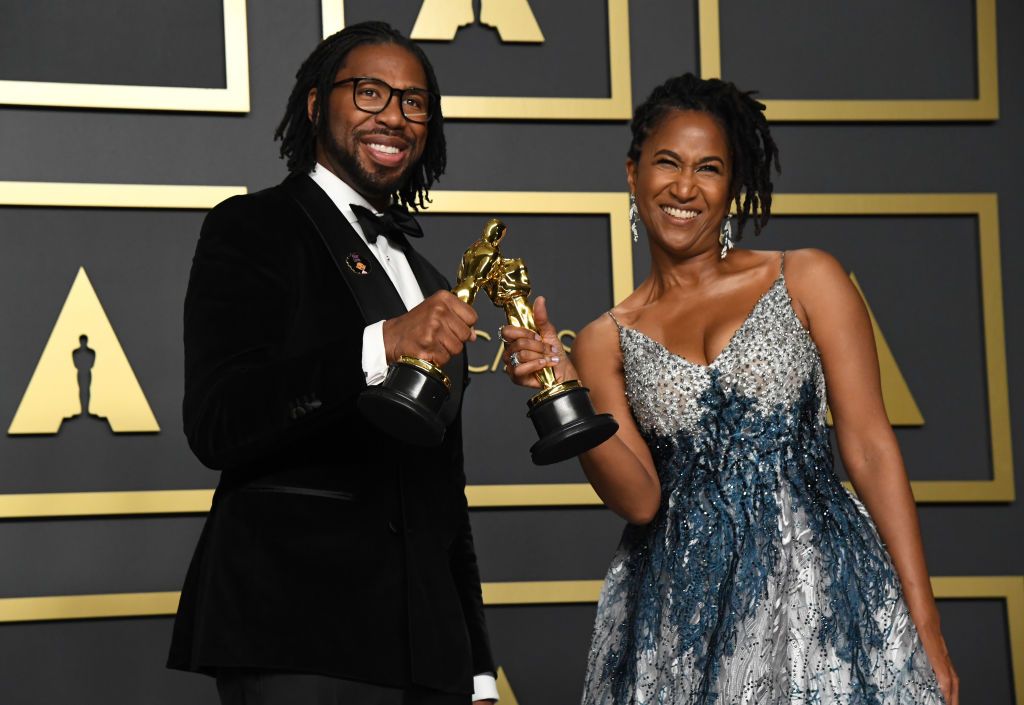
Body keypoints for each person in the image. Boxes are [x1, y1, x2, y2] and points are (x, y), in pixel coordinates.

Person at [501, 73, 959, 704]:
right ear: (632, 174)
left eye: (708, 168)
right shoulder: (607, 338)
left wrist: (925, 622)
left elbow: (872, 449)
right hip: (679, 618)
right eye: (667, 163)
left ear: (734, 185)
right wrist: (564, 390)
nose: (684, 187)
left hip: (820, 594)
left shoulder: (807, 277)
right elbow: (637, 501)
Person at [167, 21, 498, 705]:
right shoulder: (252, 227)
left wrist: (477, 666)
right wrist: (380, 344)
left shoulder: (429, 276)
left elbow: (444, 491)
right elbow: (218, 421)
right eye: (370, 92)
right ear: (318, 105)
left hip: (429, 651)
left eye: (414, 102)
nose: (395, 117)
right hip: (297, 630)